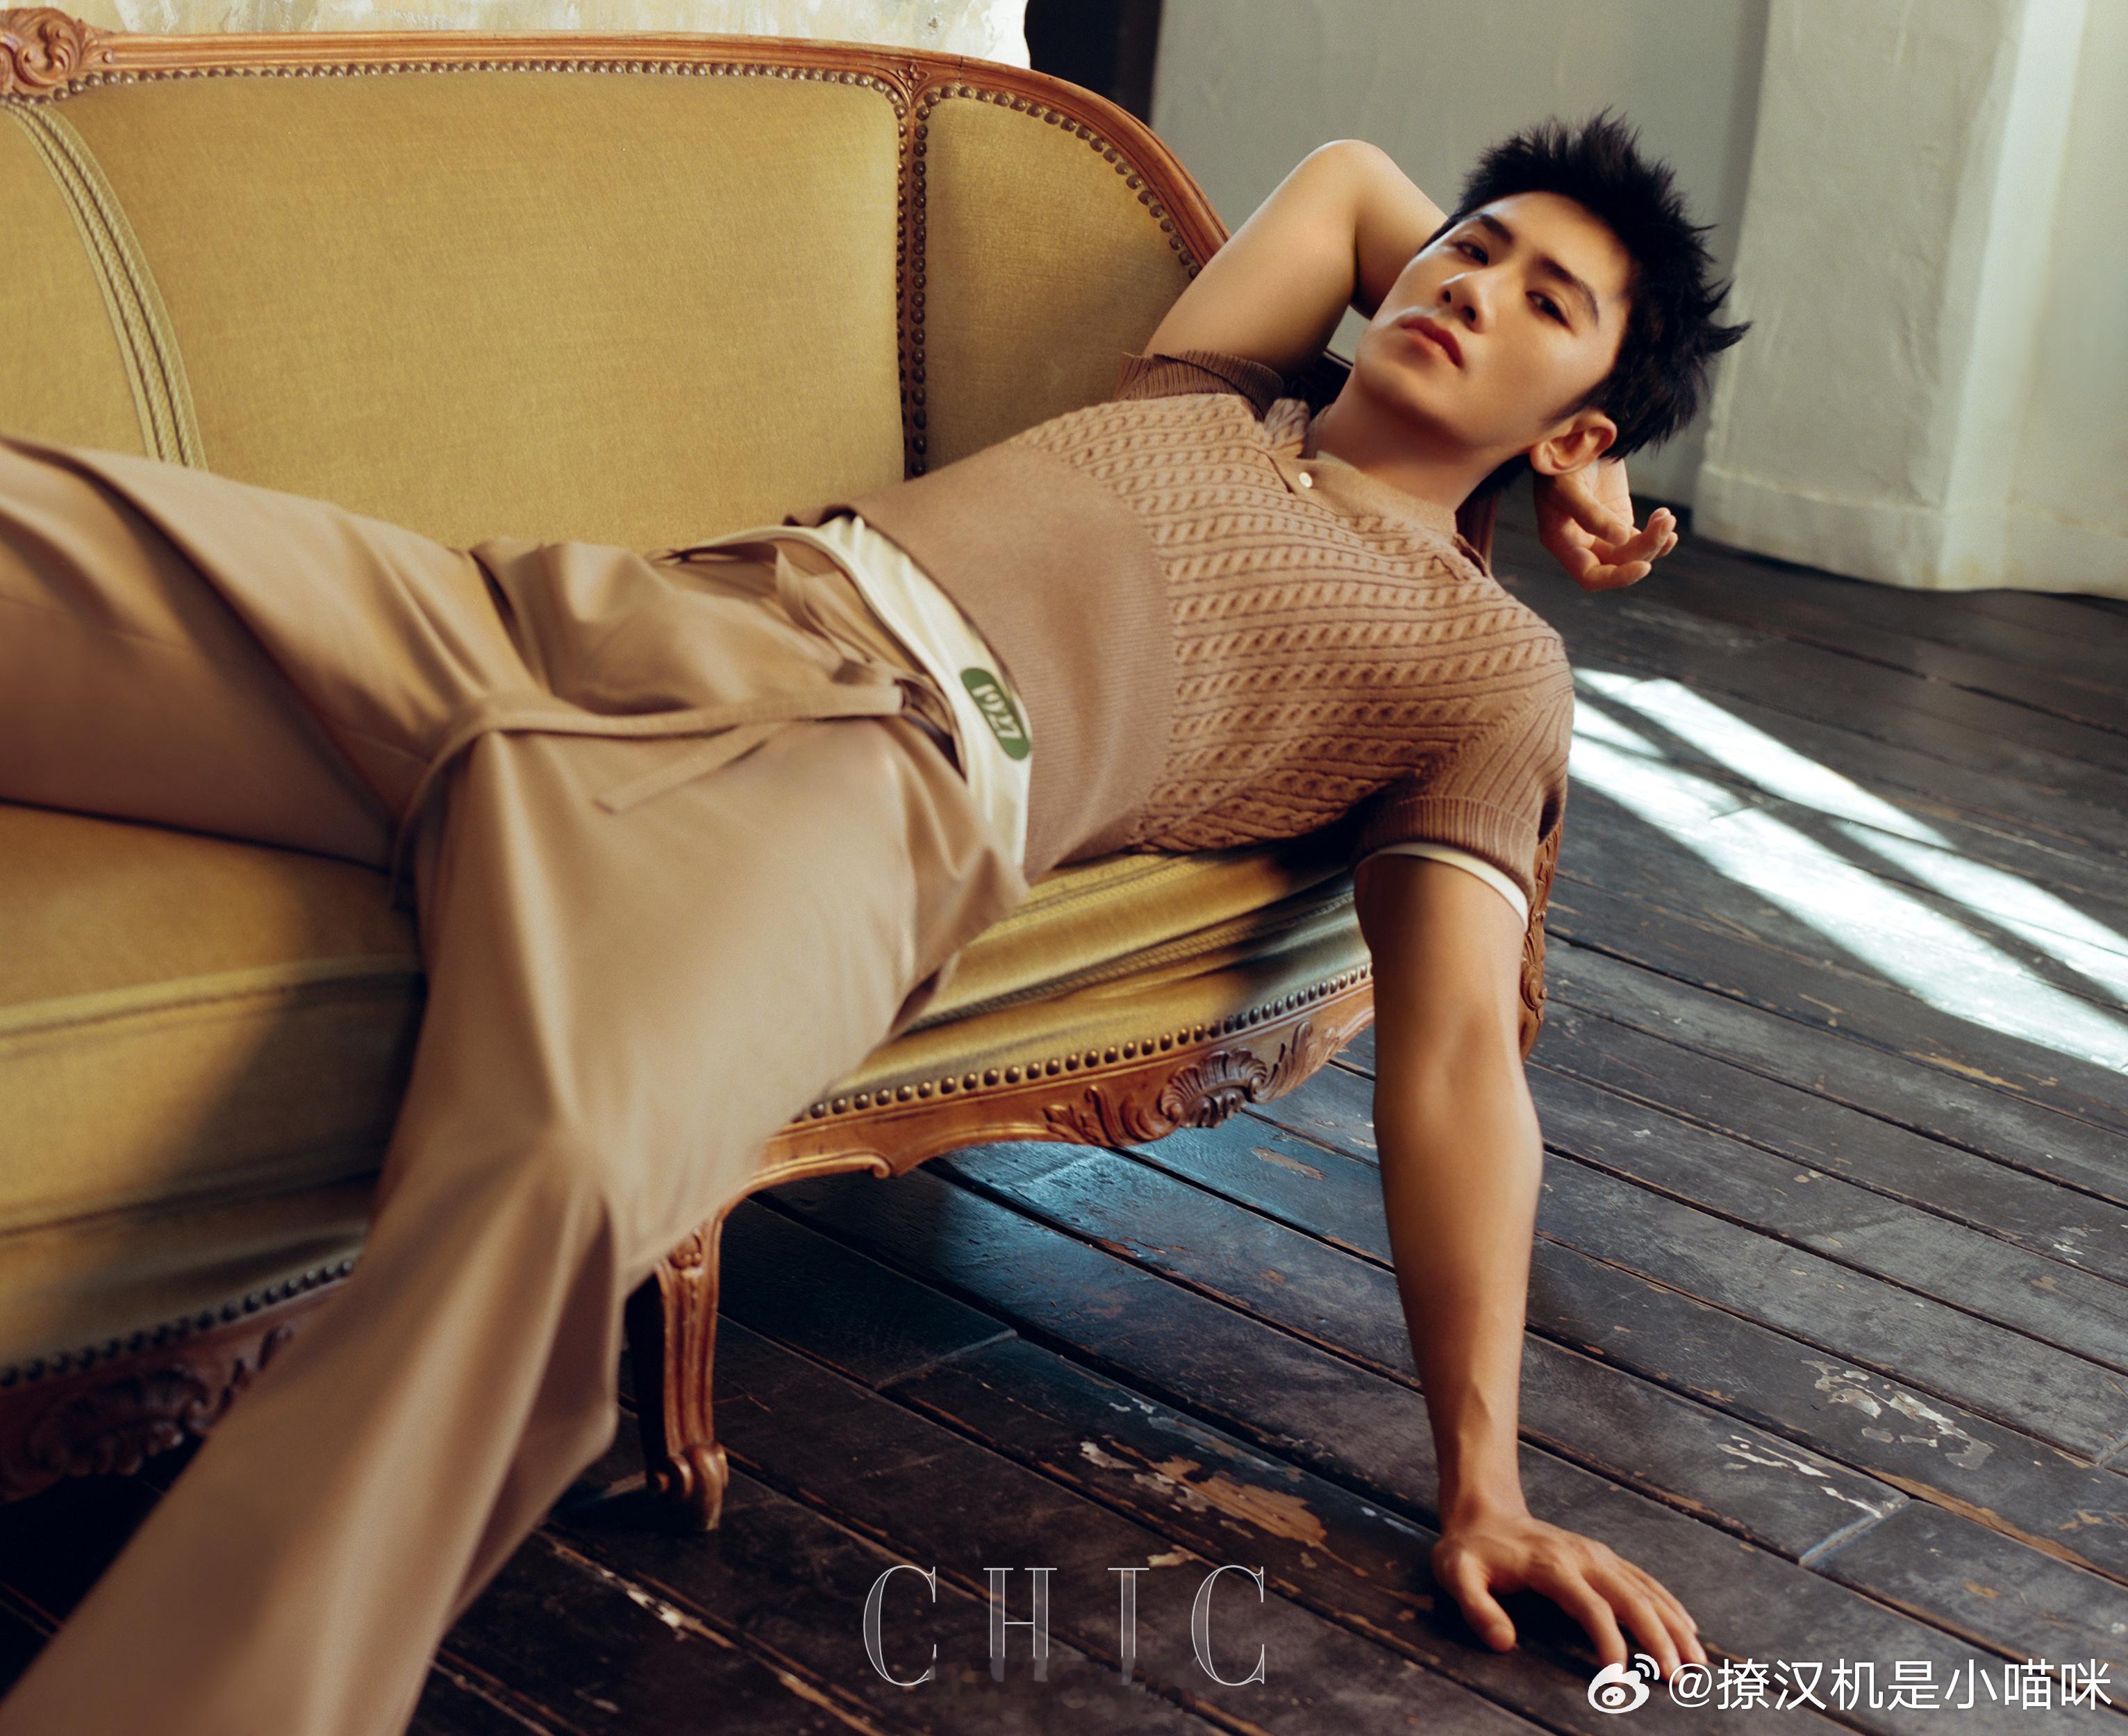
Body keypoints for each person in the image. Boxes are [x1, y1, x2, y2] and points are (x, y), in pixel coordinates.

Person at [0, 108, 1741, 1733]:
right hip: (626, 622)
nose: (1467, 286)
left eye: (1544, 302)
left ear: (1587, 425)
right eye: (1471, 247)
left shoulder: (1481, 666)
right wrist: (1537, 401)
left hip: (866, 793)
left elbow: (1454, 1058)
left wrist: (1484, 1484)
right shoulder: (1207, 392)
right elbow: (1354, 181)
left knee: (551, 1189)